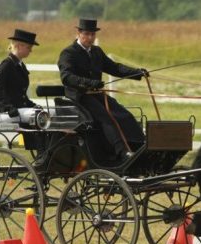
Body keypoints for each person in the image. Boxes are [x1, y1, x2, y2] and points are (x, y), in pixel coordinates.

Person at [58, 18, 148, 161]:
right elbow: (67, 77)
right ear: (79, 33)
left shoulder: (96, 52)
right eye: (87, 34)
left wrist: (136, 72)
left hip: (97, 95)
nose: (90, 38)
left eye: (93, 35)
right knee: (107, 118)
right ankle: (122, 152)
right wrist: (90, 83)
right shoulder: (68, 53)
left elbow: (114, 67)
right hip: (79, 97)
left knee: (124, 114)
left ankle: (140, 146)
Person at [0, 29, 39, 117]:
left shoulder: (20, 65)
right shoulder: (7, 64)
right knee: (38, 116)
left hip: (20, 109)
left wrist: (31, 105)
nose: (31, 51)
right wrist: (7, 107)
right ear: (19, 46)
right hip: (9, 112)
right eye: (29, 47)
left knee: (43, 113)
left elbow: (21, 95)